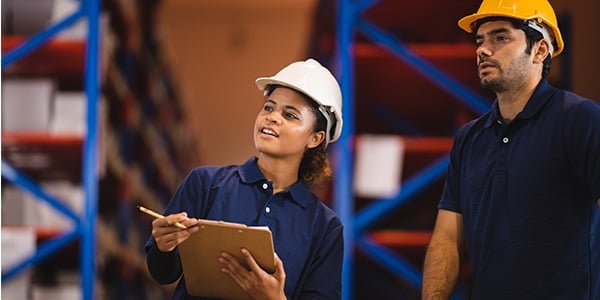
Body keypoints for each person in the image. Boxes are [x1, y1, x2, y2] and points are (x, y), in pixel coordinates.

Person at [421, 0, 600, 299]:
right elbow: (447, 238)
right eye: (480, 40)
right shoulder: (469, 139)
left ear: (540, 50)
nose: (483, 50)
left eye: (500, 37)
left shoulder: (582, 120)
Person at [143, 58, 344, 299]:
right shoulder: (206, 184)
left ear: (315, 138)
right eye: (269, 107)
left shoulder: (324, 227)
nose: (272, 117)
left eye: (290, 115)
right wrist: (164, 246)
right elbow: (163, 273)